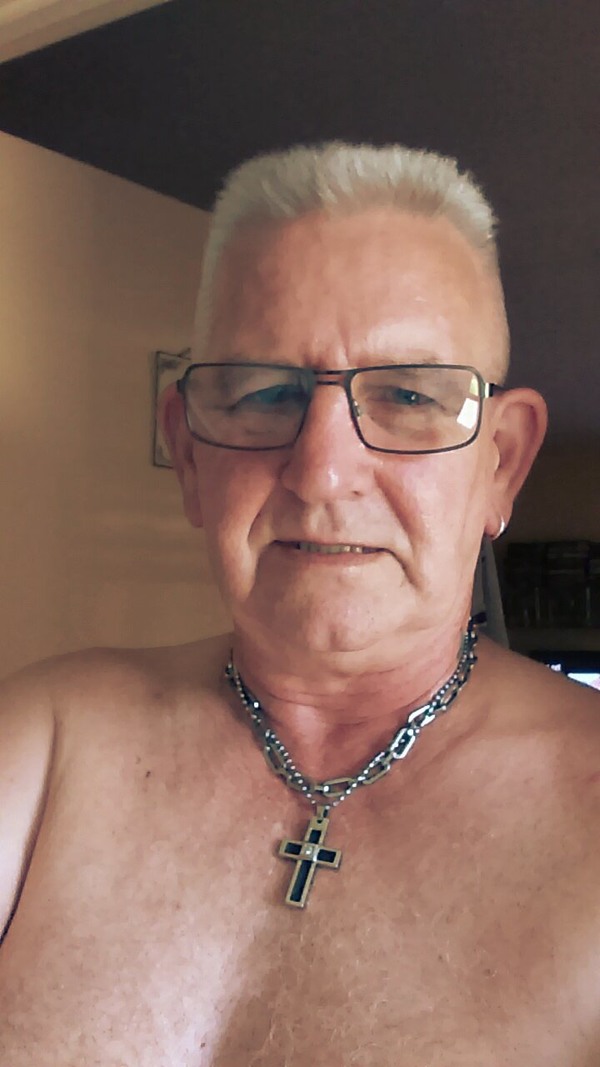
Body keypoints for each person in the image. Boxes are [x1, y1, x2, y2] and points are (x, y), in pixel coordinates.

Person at [1, 141, 599, 1067]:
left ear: (502, 464)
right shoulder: (41, 747)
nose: (321, 471)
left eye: (409, 394)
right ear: (189, 455)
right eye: (265, 393)